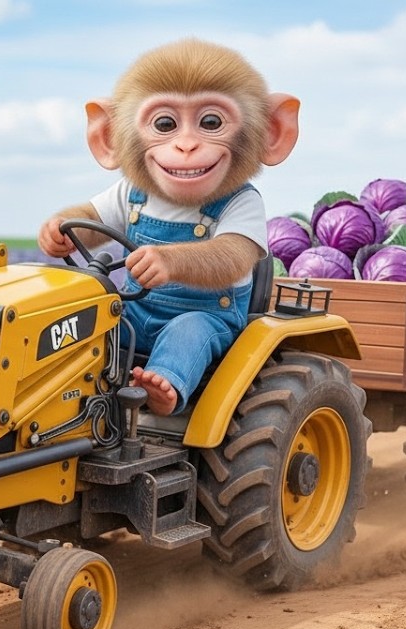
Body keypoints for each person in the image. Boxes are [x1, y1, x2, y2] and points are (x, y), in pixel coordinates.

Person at [37, 38, 300, 415]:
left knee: (187, 333)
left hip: (209, 316)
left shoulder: (241, 201)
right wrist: (61, 228)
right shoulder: (133, 191)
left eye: (211, 122)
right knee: (85, 315)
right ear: (109, 136)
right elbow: (91, 220)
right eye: (165, 123)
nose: (187, 144)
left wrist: (172, 261)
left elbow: (234, 258)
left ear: (271, 131)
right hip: (134, 310)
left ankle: (166, 385)